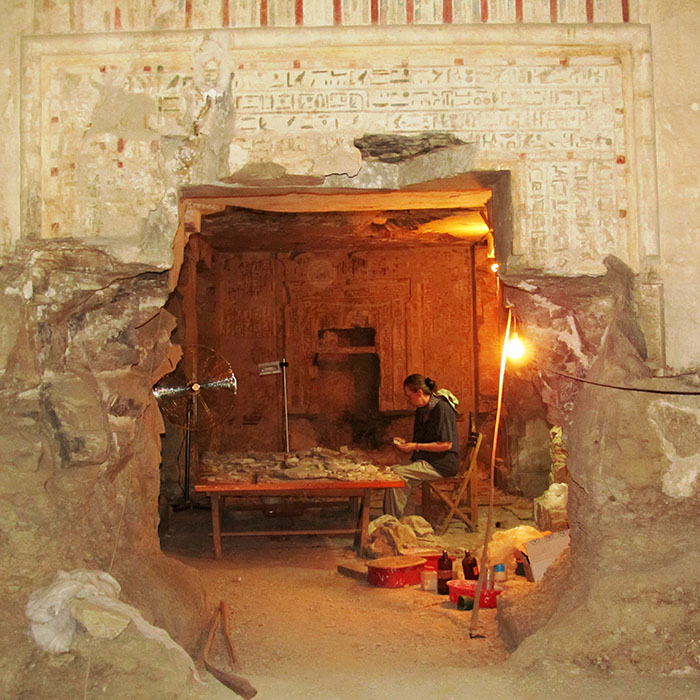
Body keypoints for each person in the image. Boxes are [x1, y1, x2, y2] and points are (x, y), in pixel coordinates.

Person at [383, 374, 459, 519]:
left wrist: (415, 446)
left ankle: (392, 521)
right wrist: (406, 443)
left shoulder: (441, 409)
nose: (408, 400)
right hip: (427, 459)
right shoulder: (422, 410)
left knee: (396, 475)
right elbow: (424, 440)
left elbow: (445, 445)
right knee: (393, 473)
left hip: (441, 463)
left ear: (419, 392)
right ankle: (407, 518)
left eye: (409, 396)